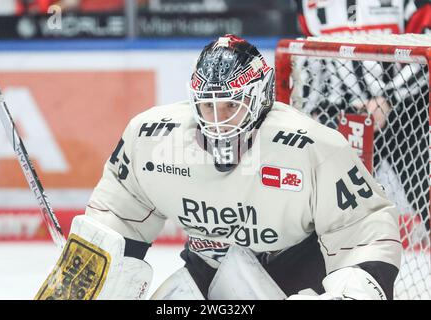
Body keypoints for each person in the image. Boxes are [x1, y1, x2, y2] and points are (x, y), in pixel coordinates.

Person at [35, 34, 401, 300]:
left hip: (296, 278)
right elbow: (118, 218)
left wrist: (353, 294)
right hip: (208, 272)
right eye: (207, 106)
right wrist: (82, 270)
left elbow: (364, 230)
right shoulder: (151, 136)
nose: (217, 120)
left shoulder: (311, 145)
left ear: (260, 99)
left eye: (229, 106)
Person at [294, 0, 430, 231]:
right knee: (342, 214)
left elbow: (428, 47)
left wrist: (390, 98)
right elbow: (311, 53)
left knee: (426, 195)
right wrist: (308, 111)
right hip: (344, 116)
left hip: (407, 113)